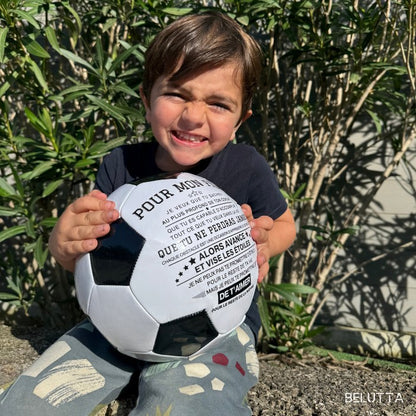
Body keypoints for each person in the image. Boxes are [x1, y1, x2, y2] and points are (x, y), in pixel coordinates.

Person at [0, 11, 296, 416]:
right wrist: (64, 244)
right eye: (176, 94)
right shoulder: (120, 166)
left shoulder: (246, 166)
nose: (193, 116)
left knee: (188, 401)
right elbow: (94, 256)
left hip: (217, 327)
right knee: (36, 397)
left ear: (242, 118)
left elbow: (284, 225)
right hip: (116, 323)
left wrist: (264, 241)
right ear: (147, 98)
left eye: (218, 104)